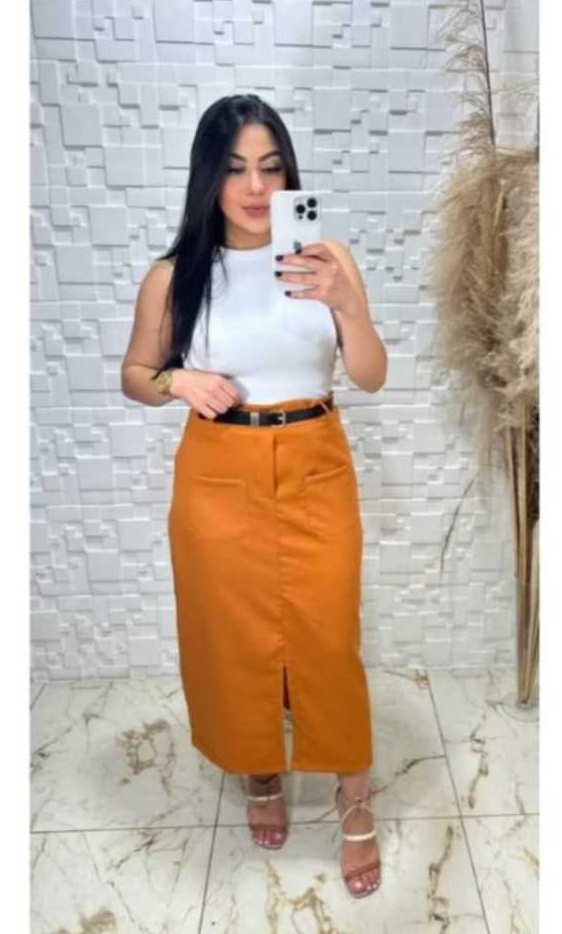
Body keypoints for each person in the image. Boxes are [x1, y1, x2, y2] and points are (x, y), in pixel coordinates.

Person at [120, 93, 388, 898]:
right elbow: (135, 374)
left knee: (327, 637)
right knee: (231, 638)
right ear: (209, 176)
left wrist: (345, 303)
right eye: (236, 168)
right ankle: (260, 770)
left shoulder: (327, 259)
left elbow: (371, 374)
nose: (255, 186)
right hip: (218, 470)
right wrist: (175, 380)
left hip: (315, 462)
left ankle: (353, 797)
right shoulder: (175, 276)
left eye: (271, 167)